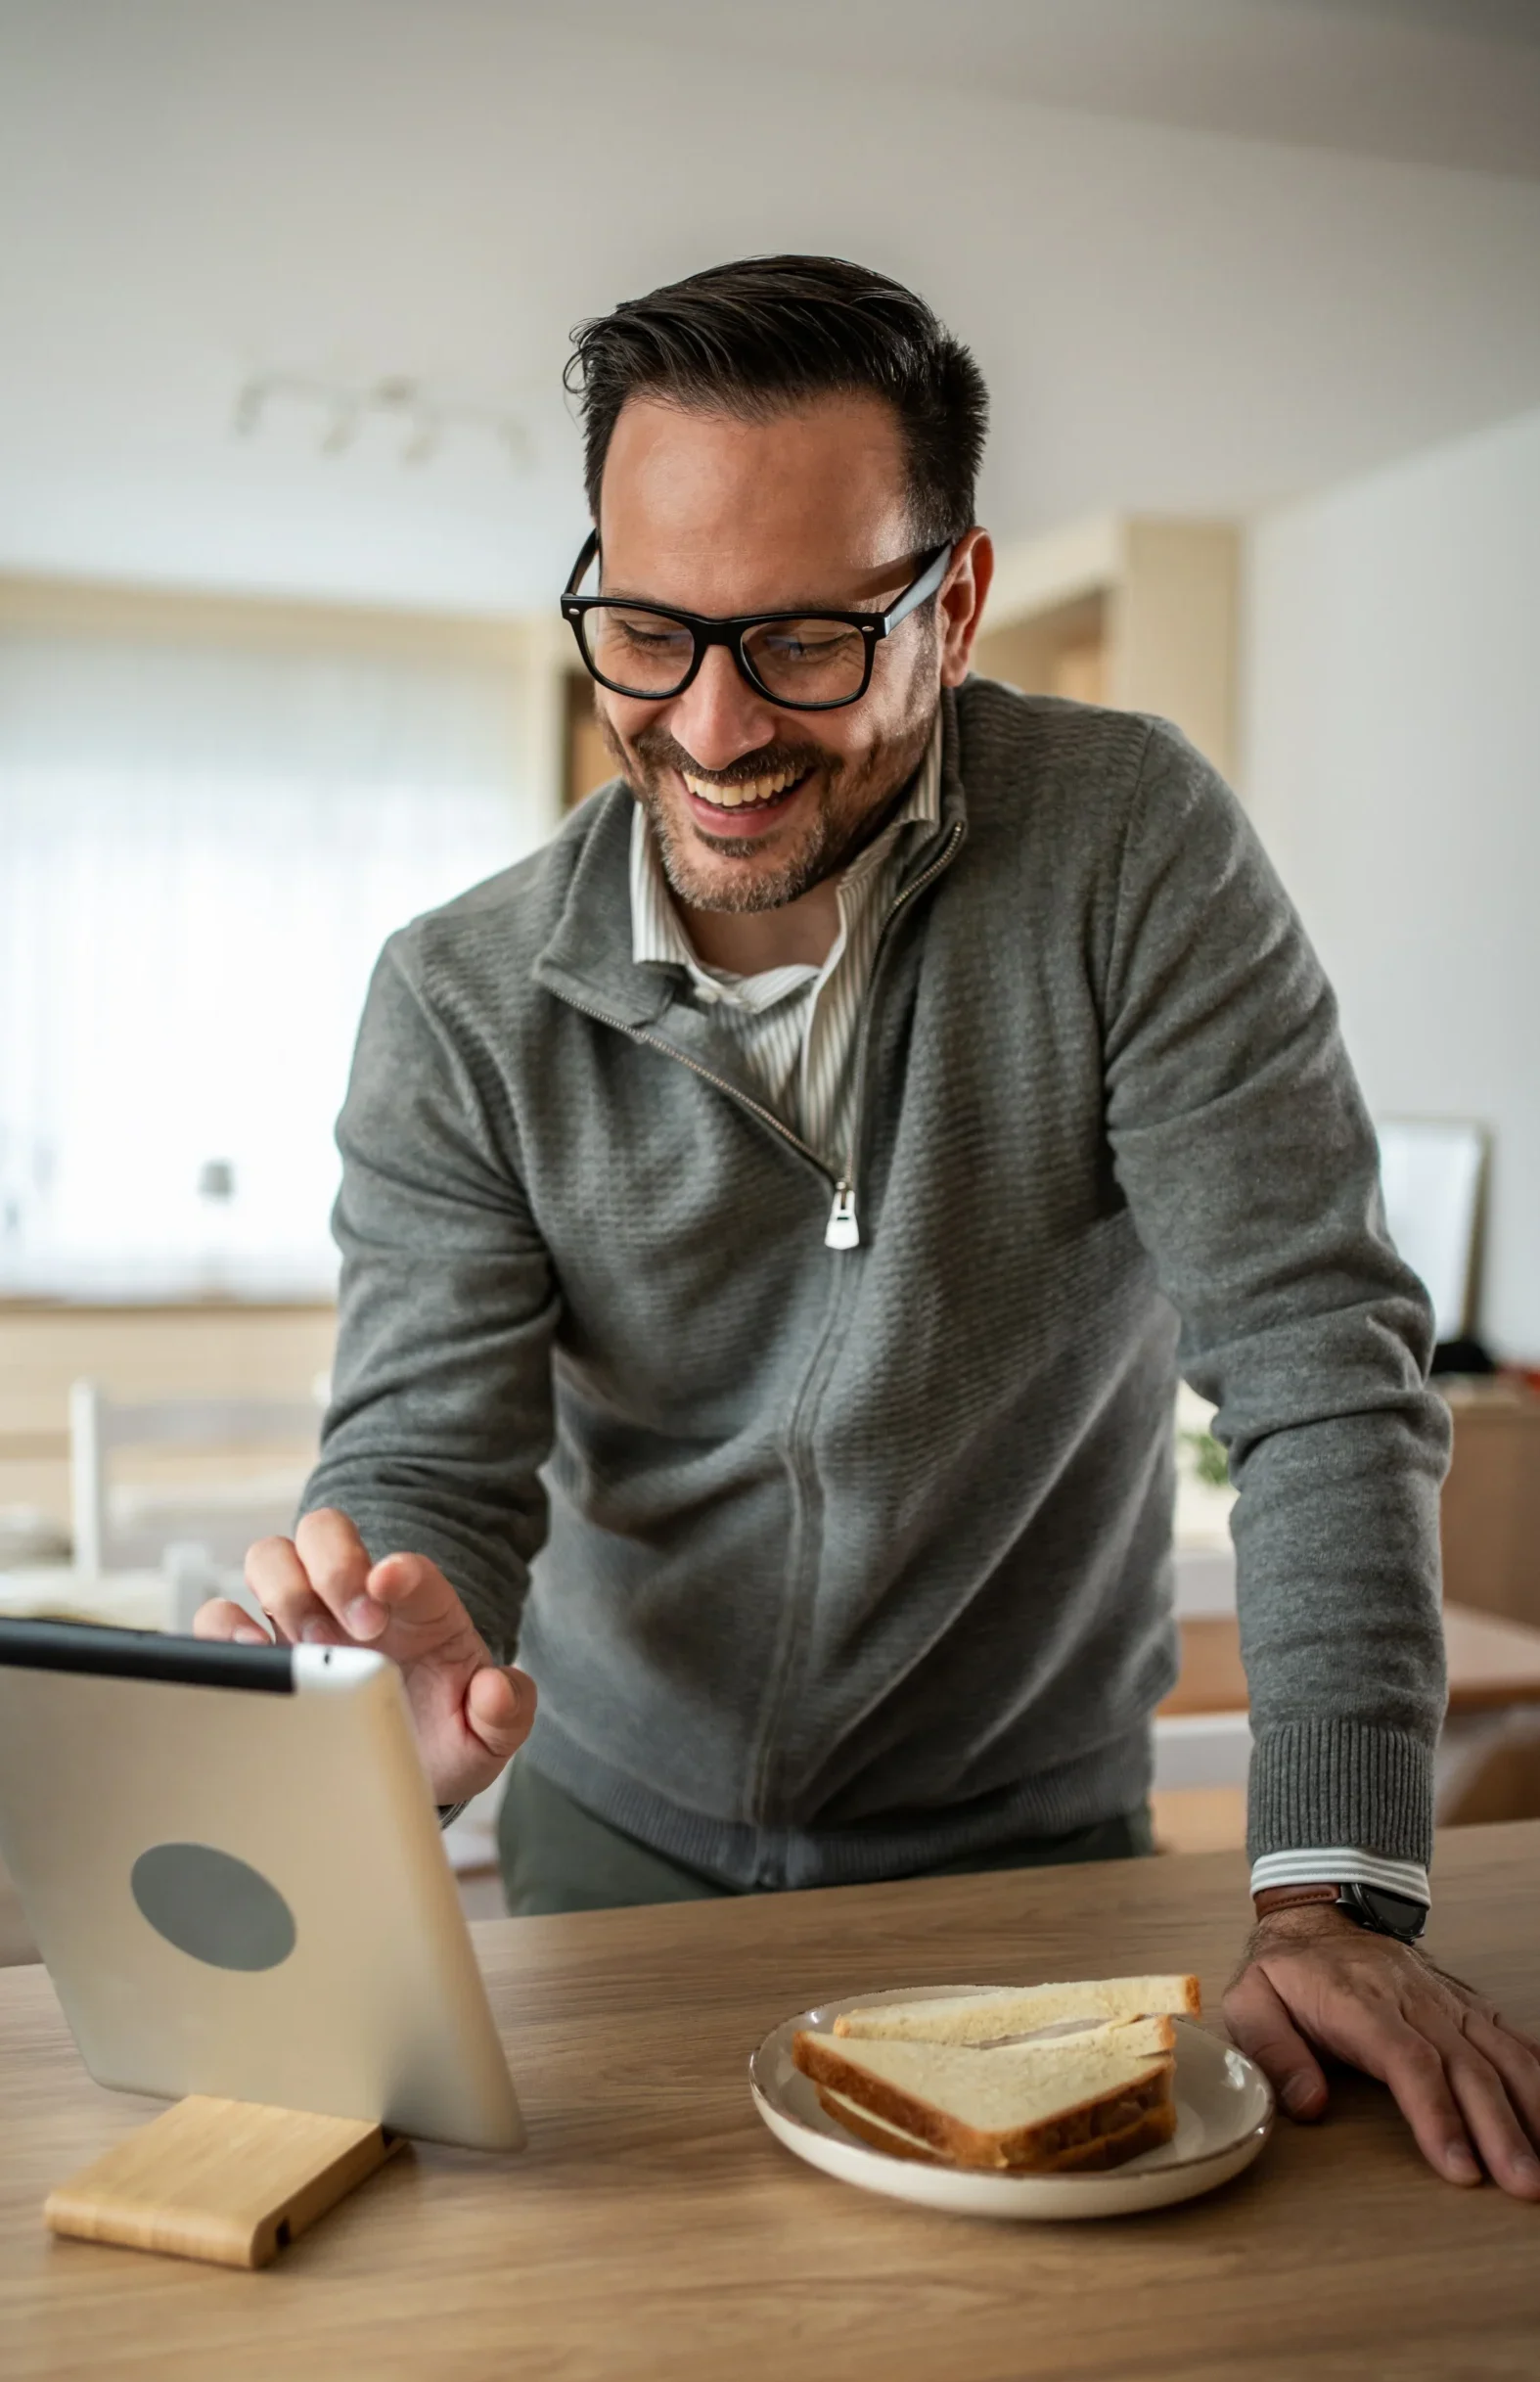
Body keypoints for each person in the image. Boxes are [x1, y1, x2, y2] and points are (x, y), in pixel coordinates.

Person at [198, 254, 1540, 2198]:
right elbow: (427, 1451)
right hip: (609, 1848)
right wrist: (398, 1618)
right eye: (645, 631)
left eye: (808, 640)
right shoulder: (456, 996)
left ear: (956, 603)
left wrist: (1336, 1899)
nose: (713, 727)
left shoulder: (1126, 855)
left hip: (1022, 1858)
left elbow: (1320, 1376)